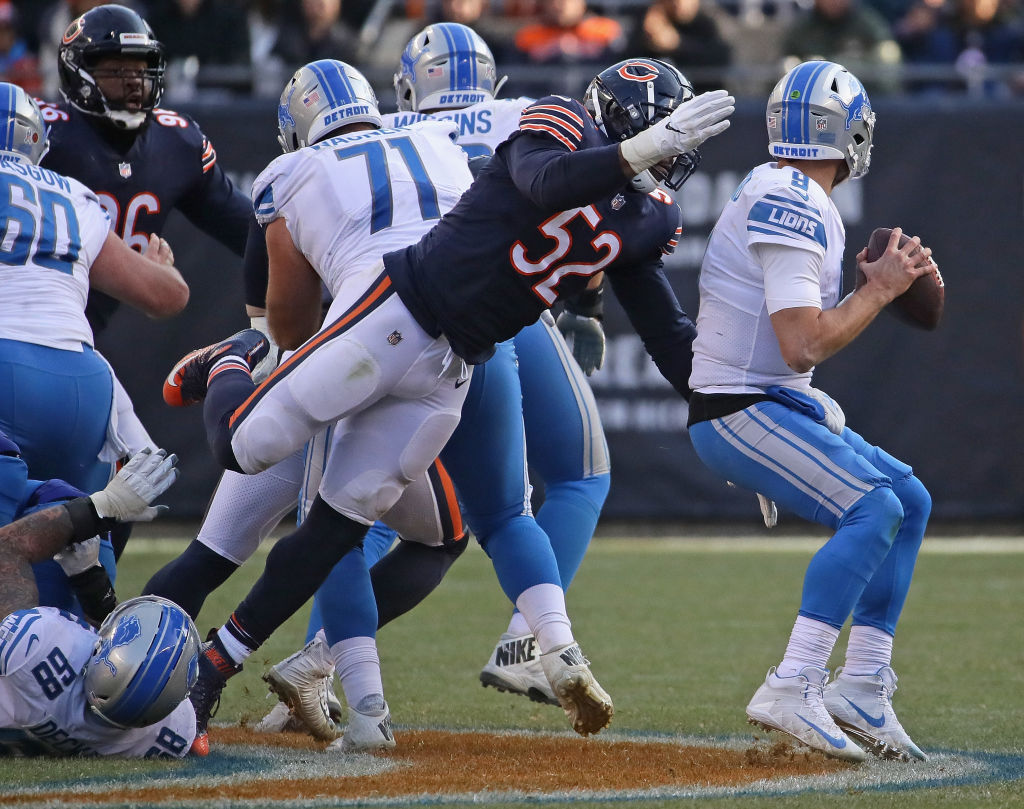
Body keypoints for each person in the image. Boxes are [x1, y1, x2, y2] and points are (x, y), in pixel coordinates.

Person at [165, 54, 734, 753]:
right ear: (619, 124)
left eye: (675, 136)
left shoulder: (647, 215)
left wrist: (735, 416)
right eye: (659, 131)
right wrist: (637, 151)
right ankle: (231, 359)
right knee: (242, 447)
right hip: (395, 309)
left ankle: (262, 681)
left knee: (341, 523)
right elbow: (542, 180)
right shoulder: (557, 121)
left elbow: (670, 334)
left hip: (456, 358)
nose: (672, 148)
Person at [686, 60, 935, 762]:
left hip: (772, 401)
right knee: (873, 508)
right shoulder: (791, 194)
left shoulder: (794, 192)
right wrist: (880, 291)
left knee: (909, 500)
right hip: (739, 408)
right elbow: (802, 344)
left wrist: (864, 290)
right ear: (848, 134)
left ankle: (859, 683)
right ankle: (793, 681)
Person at [0, 80, 188, 614]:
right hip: (83, 385)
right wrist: (163, 270)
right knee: (75, 540)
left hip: (4, 368)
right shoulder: (70, 192)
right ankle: (95, 672)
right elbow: (164, 297)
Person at [0, 446, 200, 757]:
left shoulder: (35, 646)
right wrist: (88, 579)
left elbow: (6, 550)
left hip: (41, 518)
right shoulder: (167, 735)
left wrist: (100, 508)